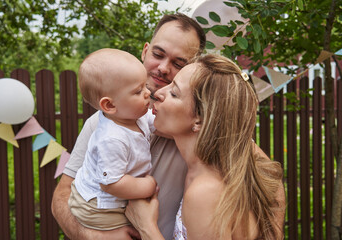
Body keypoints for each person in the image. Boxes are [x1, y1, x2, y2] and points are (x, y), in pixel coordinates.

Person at [51, 13, 206, 240]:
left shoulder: (203, 126)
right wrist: (96, 237)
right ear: (145, 51)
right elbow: (62, 195)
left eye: (178, 63)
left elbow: (270, 188)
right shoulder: (102, 123)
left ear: (192, 70)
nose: (163, 68)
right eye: (158, 54)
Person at [125, 54, 286, 240]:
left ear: (201, 120)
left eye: (174, 93)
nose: (158, 93)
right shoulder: (209, 171)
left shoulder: (205, 193)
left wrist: (147, 228)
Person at [68, 48, 159, 231]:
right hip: (96, 206)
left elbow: (158, 124)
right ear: (109, 105)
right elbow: (111, 183)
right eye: (138, 91)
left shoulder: (135, 115)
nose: (147, 93)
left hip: (110, 198)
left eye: (145, 86)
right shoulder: (111, 138)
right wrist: (147, 186)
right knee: (131, 231)